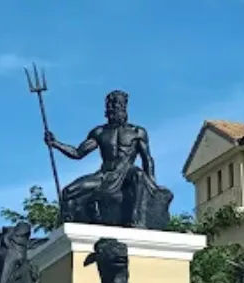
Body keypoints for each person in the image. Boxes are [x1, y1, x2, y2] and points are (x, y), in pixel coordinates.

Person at [44, 90, 172, 228]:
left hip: (126, 172)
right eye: (111, 105)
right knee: (68, 191)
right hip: (104, 175)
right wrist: (55, 143)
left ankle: (136, 217)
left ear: (124, 107)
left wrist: (152, 183)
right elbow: (78, 153)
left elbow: (147, 159)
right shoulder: (99, 132)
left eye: (117, 105)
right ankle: (64, 229)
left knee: (139, 174)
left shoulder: (137, 132)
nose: (113, 108)